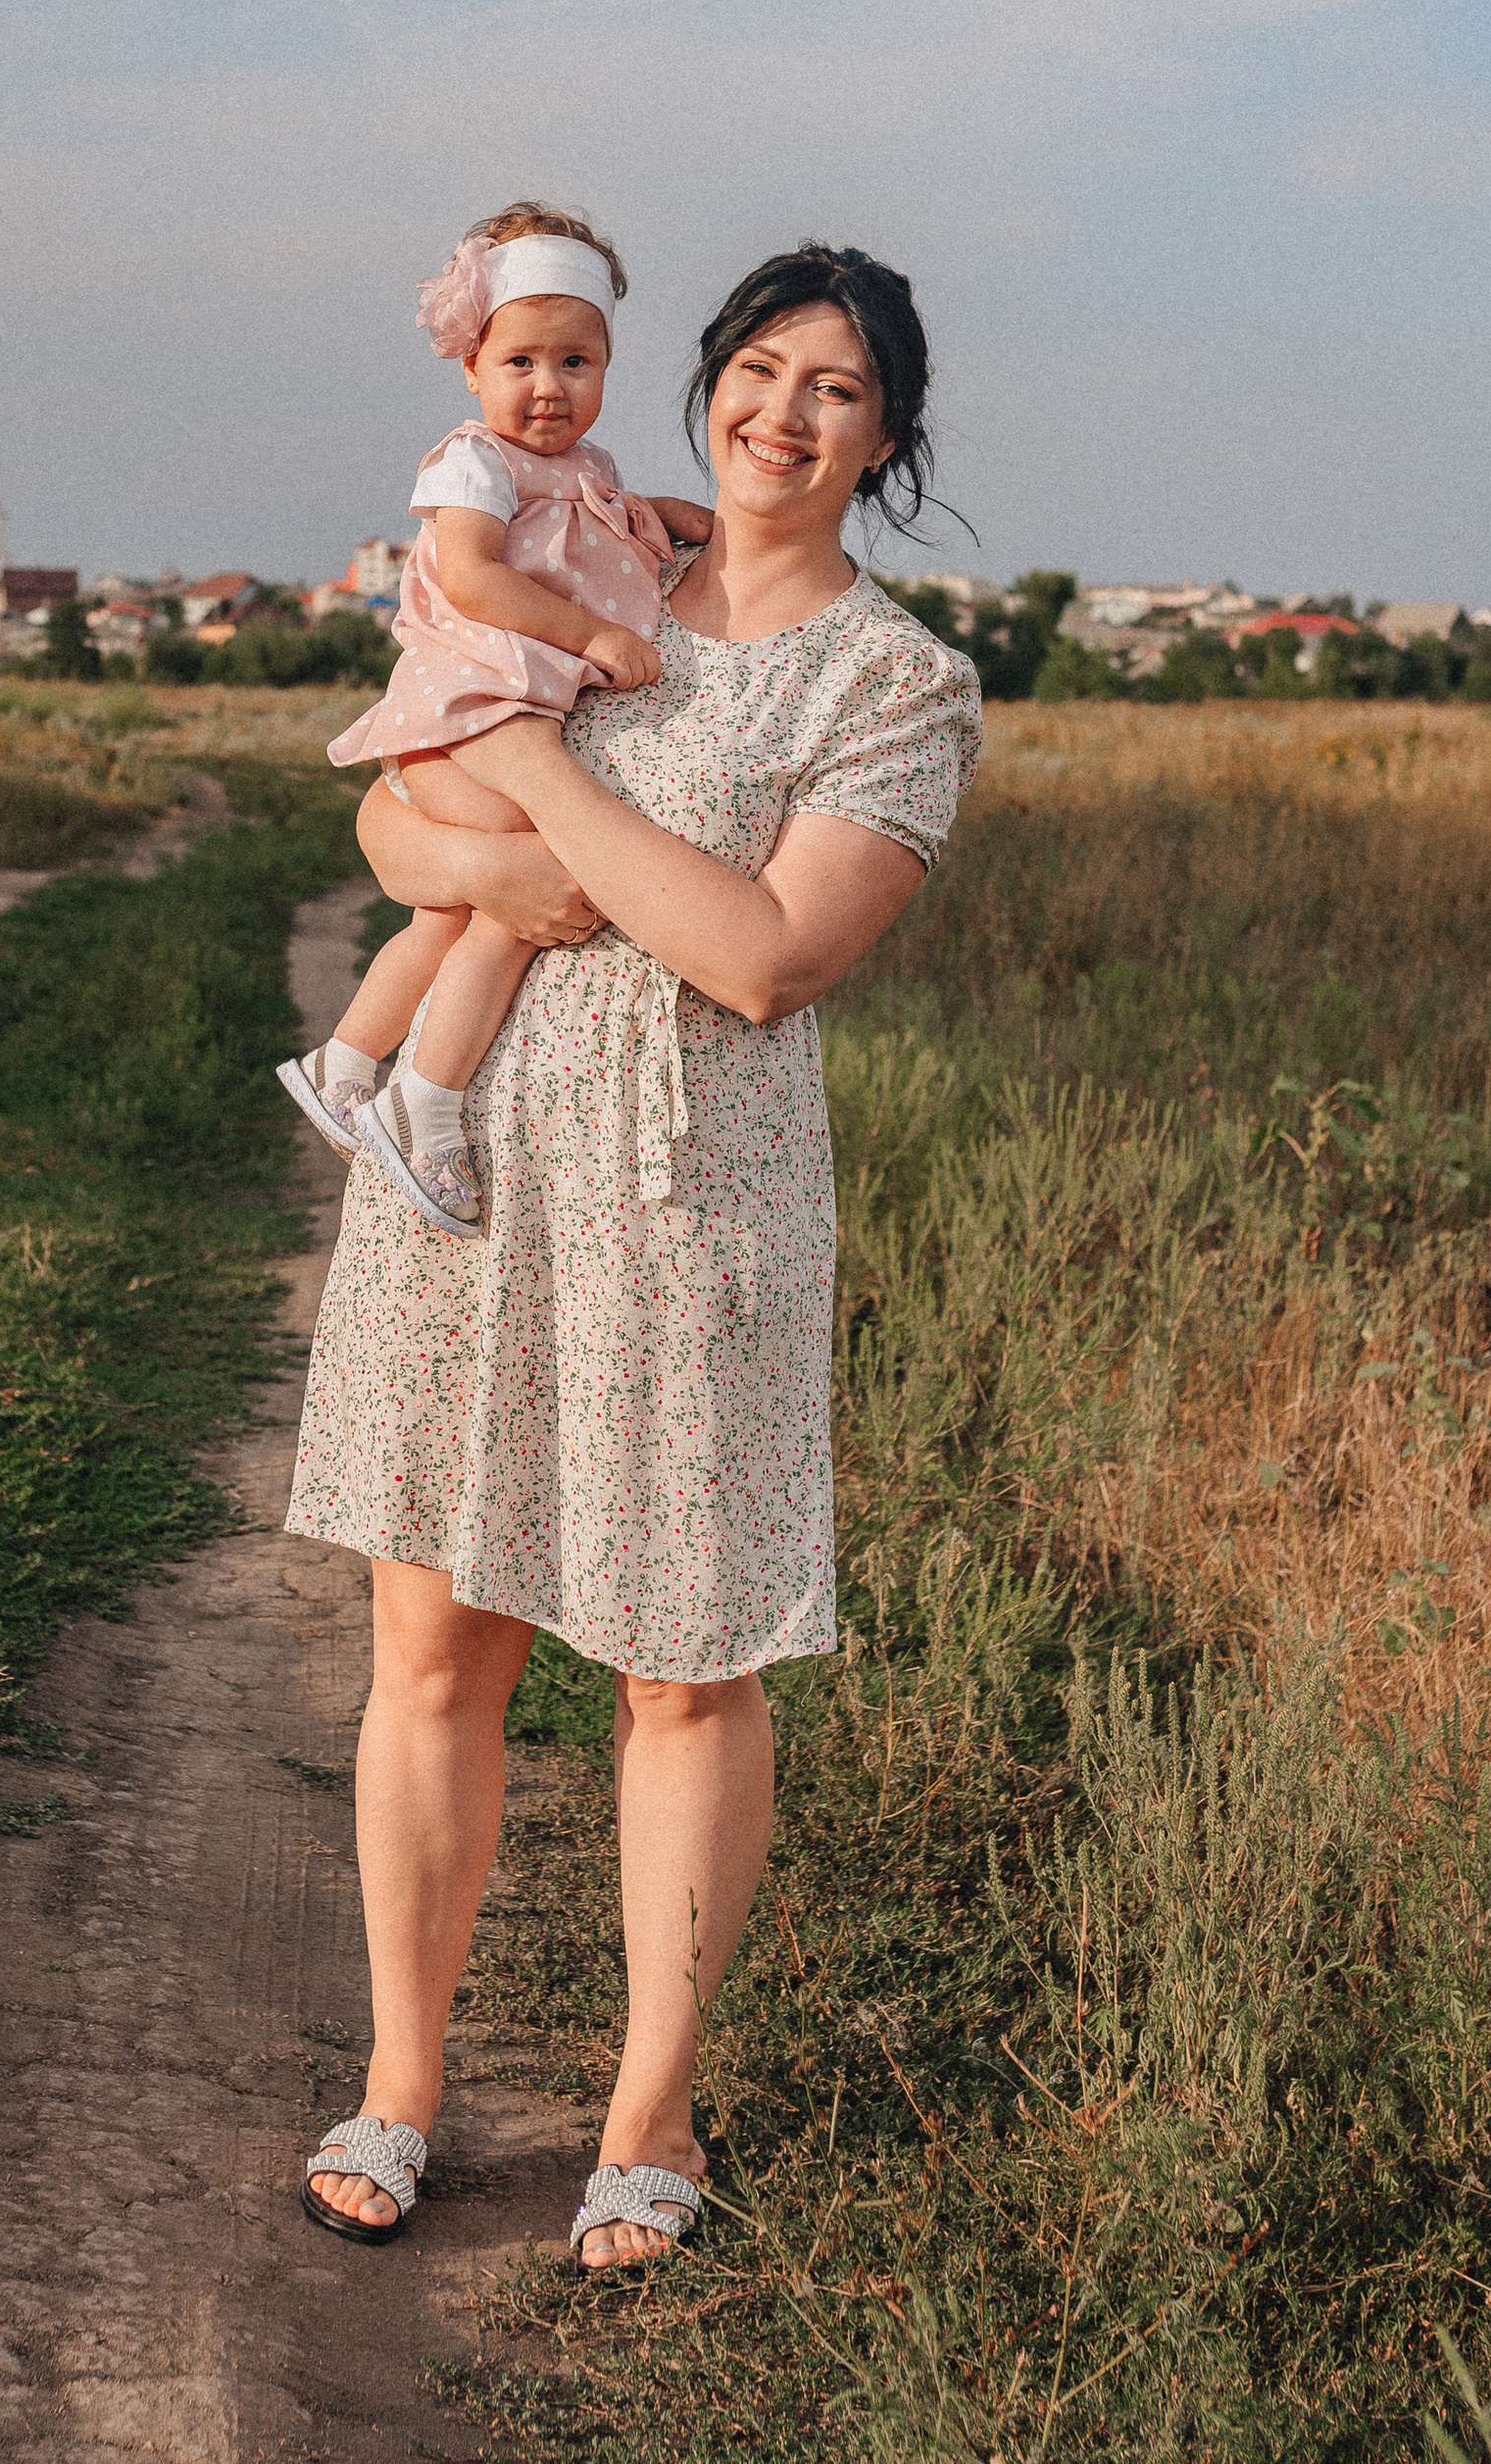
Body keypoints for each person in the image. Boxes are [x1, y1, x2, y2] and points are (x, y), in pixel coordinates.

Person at [283, 242, 981, 2268]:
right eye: (757, 368)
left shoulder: (895, 682)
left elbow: (762, 956)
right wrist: (497, 847)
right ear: (704, 383)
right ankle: (402, 2081)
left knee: (683, 1668)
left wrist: (534, 789)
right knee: (432, 1648)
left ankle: (648, 2112)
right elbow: (389, 824)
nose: (783, 413)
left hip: (692, 1207)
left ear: (886, 434)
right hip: (470, 1167)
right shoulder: (588, 559)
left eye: (835, 389)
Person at [276, 203, 709, 1235]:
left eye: (576, 362)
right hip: (465, 710)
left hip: (493, 712)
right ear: (472, 365)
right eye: (520, 361)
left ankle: (343, 1062)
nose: (548, 387)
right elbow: (472, 575)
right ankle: (426, 1103)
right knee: (524, 885)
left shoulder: (588, 472)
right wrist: (589, 634)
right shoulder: (473, 461)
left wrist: (666, 517)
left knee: (450, 913)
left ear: (606, 367)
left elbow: (590, 525)